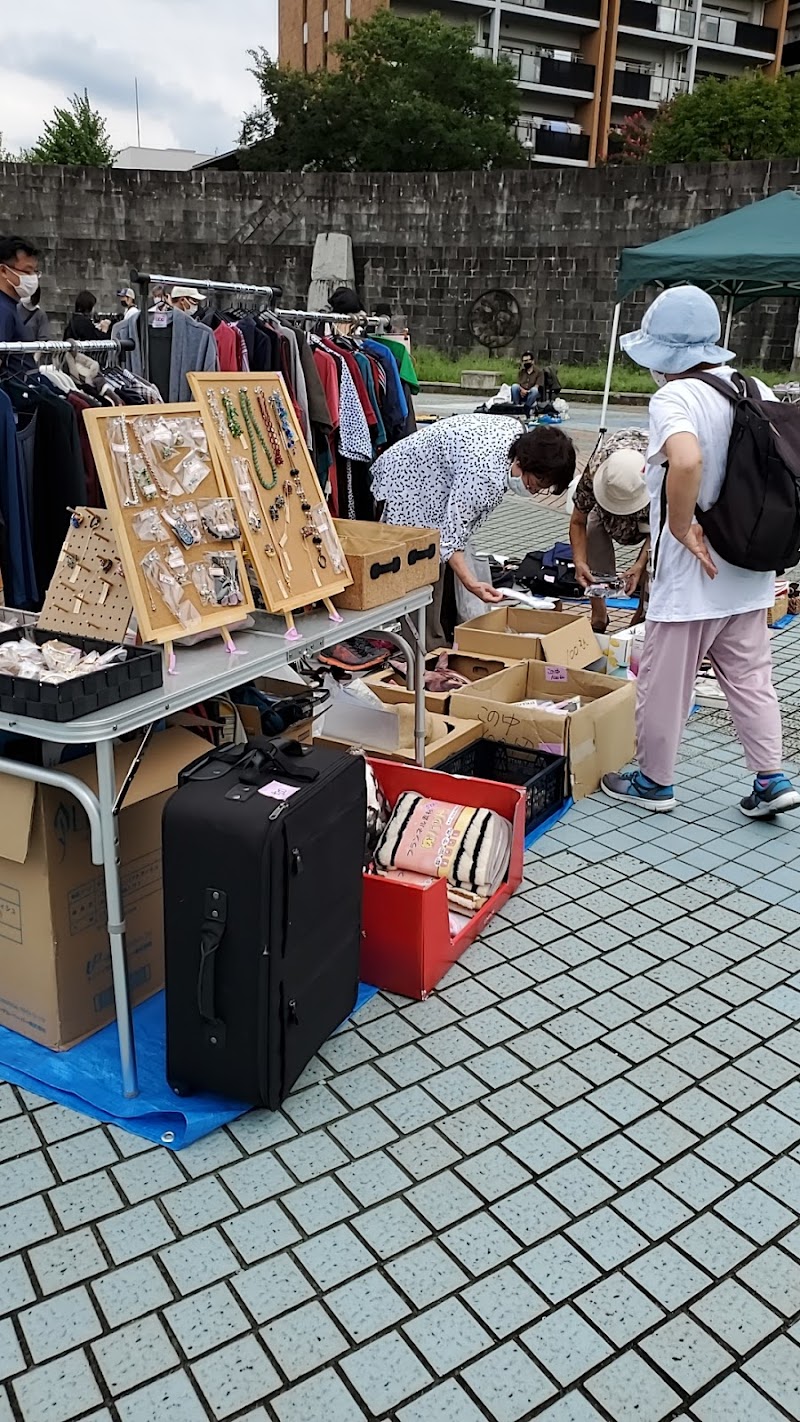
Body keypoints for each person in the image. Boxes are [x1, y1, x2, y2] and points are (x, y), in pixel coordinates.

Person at [601, 285, 800, 819]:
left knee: (665, 681)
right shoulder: (754, 385)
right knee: (753, 680)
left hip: (695, 572)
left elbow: (685, 461)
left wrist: (684, 526)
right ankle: (771, 778)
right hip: (749, 564)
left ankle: (653, 780)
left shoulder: (675, 397)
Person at [371, 412, 576, 646]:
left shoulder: (517, 436)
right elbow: (450, 539)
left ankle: (432, 642)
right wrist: (472, 584)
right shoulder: (484, 475)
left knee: (436, 570)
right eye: (536, 484)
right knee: (422, 573)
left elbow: (457, 529)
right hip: (407, 484)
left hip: (430, 480)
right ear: (522, 463)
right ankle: (419, 651)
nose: (534, 491)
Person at [569, 431, 649, 632]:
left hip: (650, 513)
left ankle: (642, 616)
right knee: (593, 527)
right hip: (605, 514)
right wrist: (579, 562)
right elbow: (578, 521)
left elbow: (662, 531)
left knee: (657, 561)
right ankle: (599, 614)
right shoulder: (596, 469)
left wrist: (639, 565)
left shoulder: (664, 470)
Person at [0, 235, 39, 344]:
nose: (32, 277)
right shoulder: (3, 310)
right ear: (4, 271)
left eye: (35, 272)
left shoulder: (10, 306)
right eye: (27, 272)